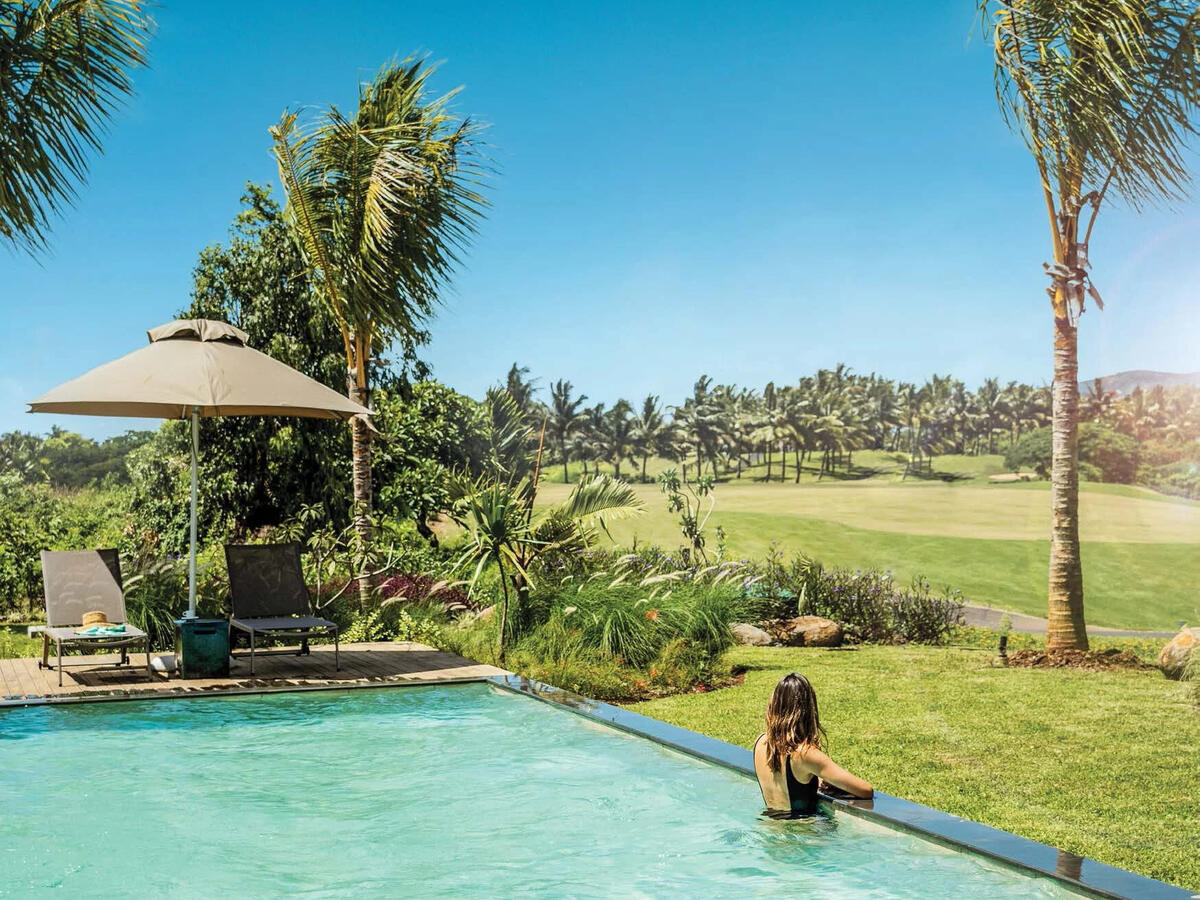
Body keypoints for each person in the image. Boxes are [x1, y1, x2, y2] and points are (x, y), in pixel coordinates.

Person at [753, 672, 873, 816]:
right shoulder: (805, 753)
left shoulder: (760, 741)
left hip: (769, 826)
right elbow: (866, 790)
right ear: (808, 708)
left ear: (775, 704)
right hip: (801, 833)